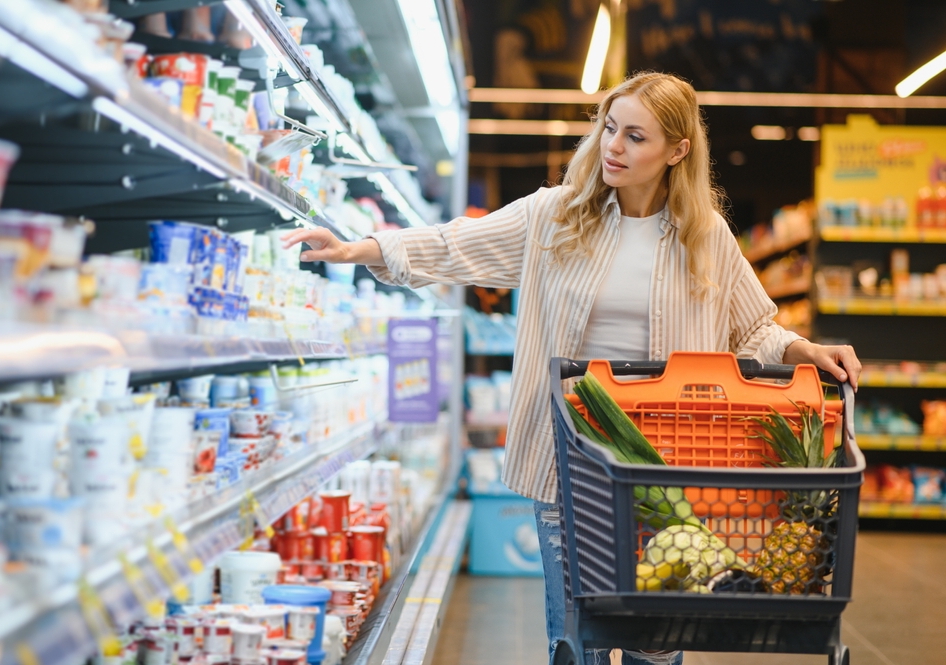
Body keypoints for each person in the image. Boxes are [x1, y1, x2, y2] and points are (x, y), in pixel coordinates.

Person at [282, 71, 862, 665]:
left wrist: (804, 351)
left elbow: (755, 328)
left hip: (666, 463)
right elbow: (459, 244)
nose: (614, 146)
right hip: (569, 457)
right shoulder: (555, 216)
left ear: (677, 151)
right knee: (575, 641)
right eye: (610, 128)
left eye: (636, 137)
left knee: (657, 648)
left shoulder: (704, 235)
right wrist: (359, 247)